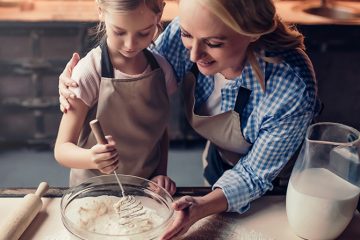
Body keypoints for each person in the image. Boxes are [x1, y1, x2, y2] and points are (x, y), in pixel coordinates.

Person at [58, 0, 322, 238]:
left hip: (280, 187)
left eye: (214, 43)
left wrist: (202, 205)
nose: (193, 55)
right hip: (217, 162)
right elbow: (135, 70)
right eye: (186, 34)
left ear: (251, 33)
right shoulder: (185, 34)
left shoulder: (292, 86)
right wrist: (76, 82)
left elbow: (253, 175)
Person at [54, 0, 177, 195]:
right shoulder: (88, 72)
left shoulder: (162, 69)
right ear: (101, 11)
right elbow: (61, 149)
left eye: (144, 33)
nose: (130, 45)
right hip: (93, 191)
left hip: (144, 189)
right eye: (119, 32)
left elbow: (160, 131)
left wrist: (160, 174)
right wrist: (90, 158)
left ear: (159, 15)